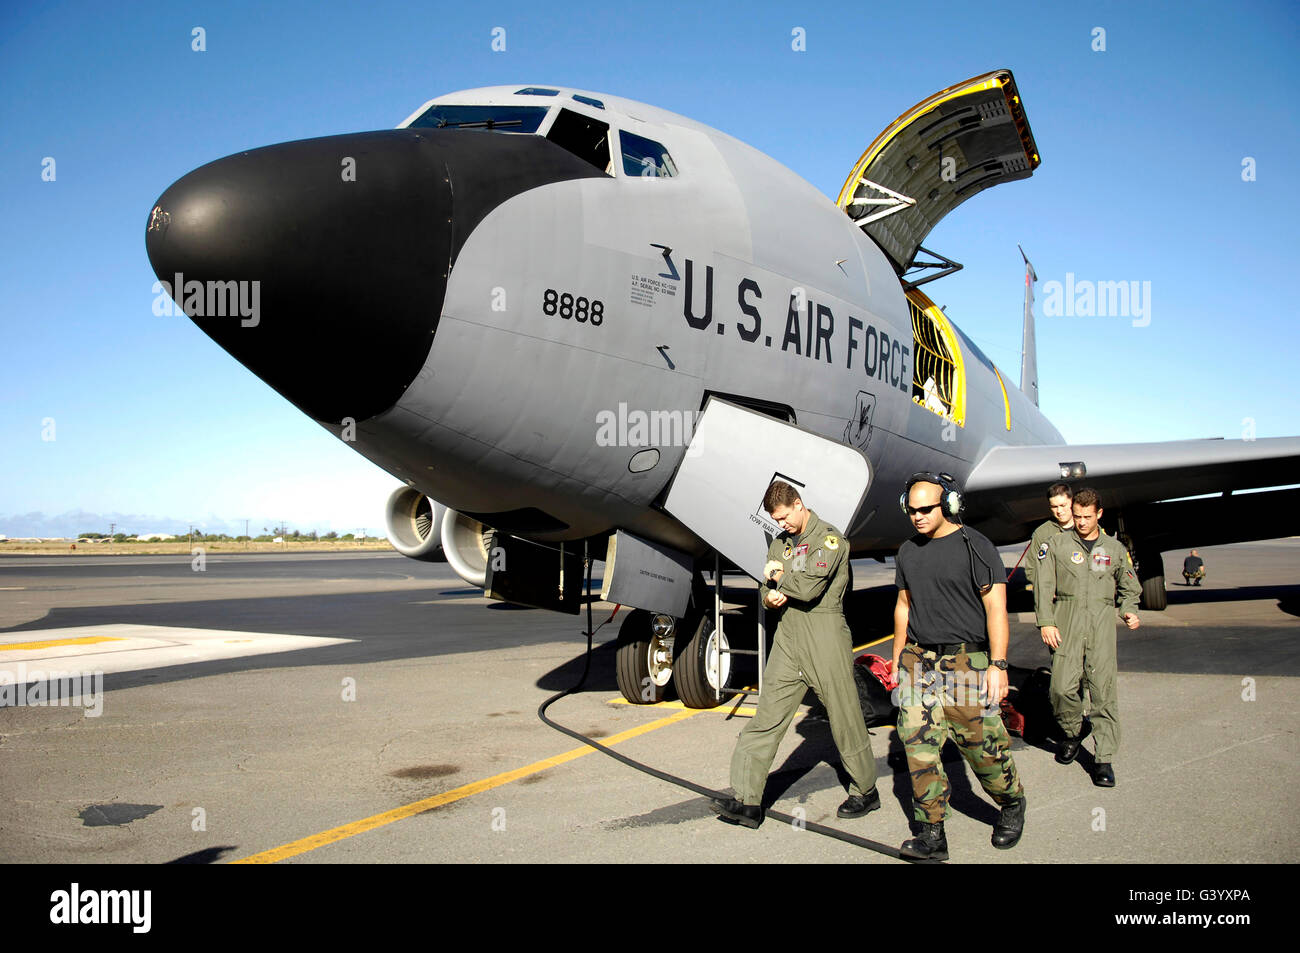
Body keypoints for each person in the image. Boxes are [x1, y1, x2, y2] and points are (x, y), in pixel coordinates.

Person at [712, 481, 880, 828]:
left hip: (824, 634)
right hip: (788, 636)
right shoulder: (780, 543)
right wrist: (767, 595)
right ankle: (747, 799)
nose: (782, 525)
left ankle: (865, 790)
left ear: (799, 505)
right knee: (766, 716)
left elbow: (807, 586)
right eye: (777, 520)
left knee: (845, 715)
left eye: (785, 518)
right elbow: (767, 582)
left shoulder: (829, 540)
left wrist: (779, 578)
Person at [890, 473, 1026, 860]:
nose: (917, 517)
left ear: (947, 505)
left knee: (981, 747)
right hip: (919, 660)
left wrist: (998, 666)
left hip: (967, 661)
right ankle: (933, 833)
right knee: (918, 746)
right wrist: (899, 662)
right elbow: (904, 605)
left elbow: (995, 609)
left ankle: (1011, 801)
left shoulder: (976, 547)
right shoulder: (907, 551)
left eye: (926, 509)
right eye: (911, 510)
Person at [1034, 487, 1140, 787]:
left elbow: (1130, 586)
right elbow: (1043, 585)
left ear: (1099, 514)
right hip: (1066, 619)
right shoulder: (1056, 544)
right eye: (1077, 516)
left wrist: (1129, 610)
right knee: (1061, 689)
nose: (1081, 522)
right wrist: (1046, 621)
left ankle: (1103, 759)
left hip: (1101, 622)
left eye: (1087, 517)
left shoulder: (1112, 549)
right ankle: (1074, 730)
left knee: (1103, 693)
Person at [1024, 483, 1074, 591]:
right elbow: (1031, 568)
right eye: (1054, 507)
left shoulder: (1087, 527)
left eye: (1063, 505)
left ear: (1072, 502)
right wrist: (1046, 588)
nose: (1059, 511)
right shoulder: (1042, 533)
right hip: (1055, 599)